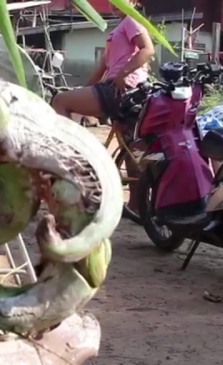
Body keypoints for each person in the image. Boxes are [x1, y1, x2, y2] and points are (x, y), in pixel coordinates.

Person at [51, 0, 154, 219]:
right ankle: (137, 205)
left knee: (60, 101)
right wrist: (81, 92)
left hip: (122, 89)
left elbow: (148, 50)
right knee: (129, 147)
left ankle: (68, 157)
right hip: (124, 90)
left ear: (134, 2)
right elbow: (101, 69)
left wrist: (123, 73)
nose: (115, 3)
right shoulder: (117, 31)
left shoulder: (131, 21)